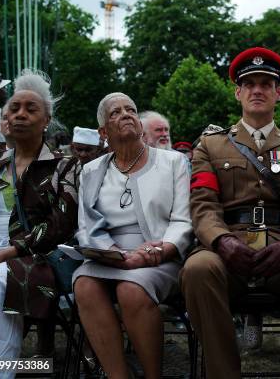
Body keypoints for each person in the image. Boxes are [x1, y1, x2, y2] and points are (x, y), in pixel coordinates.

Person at [181, 47, 280, 379]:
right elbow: (203, 204)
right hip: (229, 250)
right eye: (249, 84)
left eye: (266, 84)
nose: (257, 90)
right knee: (197, 268)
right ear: (238, 92)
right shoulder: (209, 146)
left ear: (278, 93)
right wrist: (221, 242)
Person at [73, 92, 192, 378]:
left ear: (139, 124)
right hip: (108, 255)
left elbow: (183, 219)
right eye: (115, 112)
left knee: (131, 289)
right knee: (84, 285)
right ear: (103, 132)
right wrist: (116, 253)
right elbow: (87, 224)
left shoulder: (172, 162)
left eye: (131, 110)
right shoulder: (90, 171)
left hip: (159, 256)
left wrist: (161, 250)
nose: (125, 114)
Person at [0, 70, 80, 367]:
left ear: (46, 120)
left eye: (31, 109)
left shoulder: (65, 166)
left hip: (35, 258)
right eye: (14, 109)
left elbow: (61, 225)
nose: (21, 114)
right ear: (5, 120)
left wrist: (5, 254)